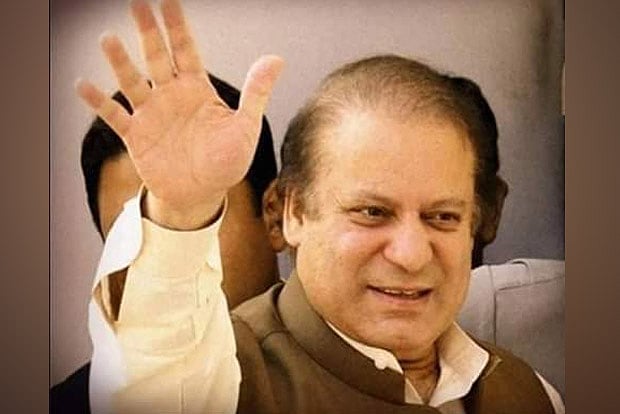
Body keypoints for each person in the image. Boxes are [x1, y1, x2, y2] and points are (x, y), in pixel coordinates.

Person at [74, 0, 563, 413]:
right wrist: (180, 214)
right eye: (372, 212)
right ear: (290, 213)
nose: (413, 254)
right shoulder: (224, 383)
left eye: (443, 217)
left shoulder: (526, 390)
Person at [51, 74, 286, 413]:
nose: (165, 256)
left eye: (196, 216)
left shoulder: (351, 373)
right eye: (129, 236)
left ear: (276, 216)